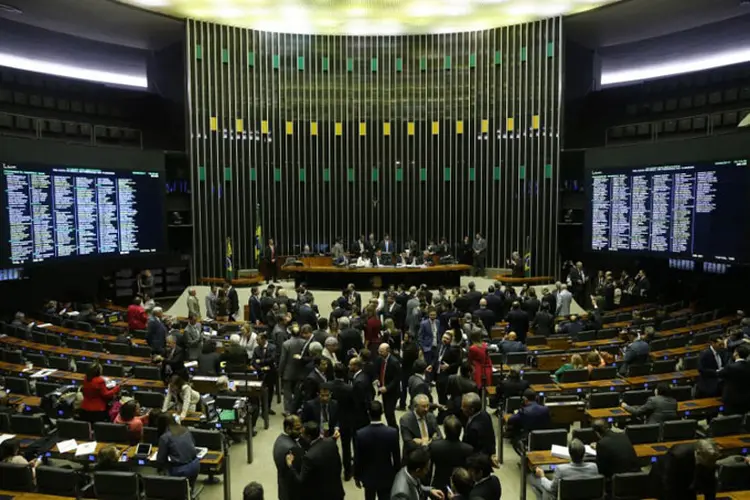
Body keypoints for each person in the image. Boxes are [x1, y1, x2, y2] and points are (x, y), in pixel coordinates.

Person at [285, 421, 345, 500]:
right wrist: (333, 438)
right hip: (337, 491)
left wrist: (290, 465)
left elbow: (300, 480)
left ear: (308, 437)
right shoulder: (331, 442)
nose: (301, 435)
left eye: (303, 434)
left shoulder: (309, 457)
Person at [354, 401, 400, 500]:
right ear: (382, 412)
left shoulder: (360, 434)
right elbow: (396, 458)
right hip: (386, 475)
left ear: (368, 413)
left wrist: (357, 476)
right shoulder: (392, 432)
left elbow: (358, 458)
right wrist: (397, 475)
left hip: (368, 476)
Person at [531, 438, 598, 500]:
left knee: (535, 480)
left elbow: (551, 489)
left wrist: (542, 476)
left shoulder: (561, 469)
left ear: (569, 454)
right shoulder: (594, 467)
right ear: (584, 454)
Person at [429, 415, 473, 493]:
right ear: (460, 430)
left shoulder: (434, 446)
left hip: (439, 486)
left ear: (445, 430)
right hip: (460, 487)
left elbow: (429, 469)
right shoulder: (468, 449)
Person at [155, 413, 200, 486]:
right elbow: (193, 444)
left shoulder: (165, 437)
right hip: (196, 465)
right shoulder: (185, 429)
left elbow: (160, 460)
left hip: (181, 470)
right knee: (188, 489)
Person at [590, 418, 640, 483]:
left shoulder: (602, 444)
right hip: (636, 478)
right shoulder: (623, 436)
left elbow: (601, 469)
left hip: (618, 481)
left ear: (596, 433)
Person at [507, 389, 550, 455]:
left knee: (514, 439)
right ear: (536, 398)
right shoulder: (545, 409)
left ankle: (524, 459)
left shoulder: (523, 411)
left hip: (528, 439)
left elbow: (510, 420)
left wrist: (518, 412)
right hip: (544, 437)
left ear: (524, 399)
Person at [399, 394, 442, 460]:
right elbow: (409, 444)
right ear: (415, 406)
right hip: (413, 458)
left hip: (429, 458)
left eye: (428, 406)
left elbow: (440, 437)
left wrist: (423, 442)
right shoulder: (405, 420)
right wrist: (431, 440)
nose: (426, 409)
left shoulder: (431, 417)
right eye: (423, 406)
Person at [279, 324, 308, 415]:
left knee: (287, 393)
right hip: (300, 371)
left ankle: (288, 410)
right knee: (297, 392)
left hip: (288, 371)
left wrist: (280, 371)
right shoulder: (304, 342)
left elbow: (283, 360)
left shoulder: (286, 344)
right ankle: (296, 409)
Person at [274, 415, 304, 500]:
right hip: (293, 493)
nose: (301, 431)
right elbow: (299, 473)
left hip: (283, 487)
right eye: (297, 429)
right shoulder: (292, 449)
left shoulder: (280, 439)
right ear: (288, 429)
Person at [718, 343, 750, 415]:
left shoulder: (730, 367)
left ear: (736, 354)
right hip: (746, 399)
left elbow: (719, 374)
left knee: (731, 422)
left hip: (731, 400)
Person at [375, 343, 401, 428]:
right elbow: (378, 371)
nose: (380, 353)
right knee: (386, 412)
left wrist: (387, 388)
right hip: (383, 390)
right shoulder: (380, 359)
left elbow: (396, 379)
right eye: (379, 351)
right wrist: (377, 380)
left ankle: (394, 430)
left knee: (389, 413)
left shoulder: (394, 362)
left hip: (392, 392)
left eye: (382, 351)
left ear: (388, 351)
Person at [252, 333, 277, 412]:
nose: (257, 342)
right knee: (260, 391)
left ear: (264, 339)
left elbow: (272, 359)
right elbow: (254, 362)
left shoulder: (272, 347)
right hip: (260, 373)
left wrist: (261, 361)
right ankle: (262, 408)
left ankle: (267, 408)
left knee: (270, 391)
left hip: (270, 372)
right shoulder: (256, 349)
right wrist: (261, 368)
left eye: (258, 340)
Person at [435, 332, 461, 406]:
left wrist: (449, 366)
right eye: (444, 338)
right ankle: (442, 407)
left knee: (445, 394)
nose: (444, 340)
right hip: (437, 374)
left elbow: (459, 362)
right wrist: (431, 365)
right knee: (439, 393)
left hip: (447, 375)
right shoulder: (439, 346)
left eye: (447, 339)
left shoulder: (454, 349)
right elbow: (436, 358)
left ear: (450, 340)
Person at [350, 357, 373, 431]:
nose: (348, 366)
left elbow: (360, 400)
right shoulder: (364, 375)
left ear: (356, 366)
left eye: (350, 365)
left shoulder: (358, 382)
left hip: (359, 415)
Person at [418, 308, 442, 377]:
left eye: (434, 315)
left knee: (435, 363)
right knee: (428, 365)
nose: (433, 316)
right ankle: (428, 380)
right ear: (429, 315)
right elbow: (420, 336)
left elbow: (438, 333)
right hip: (427, 347)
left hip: (436, 346)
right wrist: (423, 347)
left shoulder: (438, 322)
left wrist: (439, 343)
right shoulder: (424, 323)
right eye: (431, 315)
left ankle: (432, 379)